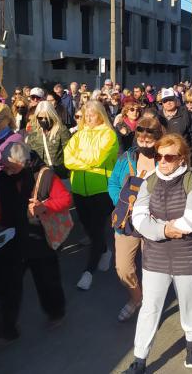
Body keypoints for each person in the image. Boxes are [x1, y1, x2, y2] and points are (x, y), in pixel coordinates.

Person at [121, 134, 192, 374]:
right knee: (150, 307)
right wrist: (164, 228)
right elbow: (139, 219)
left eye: (169, 157)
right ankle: (139, 357)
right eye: (158, 156)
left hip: (188, 254)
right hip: (156, 255)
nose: (162, 161)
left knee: (190, 301)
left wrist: (157, 224)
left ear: (182, 158)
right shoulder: (149, 181)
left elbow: (190, 223)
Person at [0, 142, 69, 349]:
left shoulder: (45, 176)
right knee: (10, 286)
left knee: (47, 281)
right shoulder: (4, 175)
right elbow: (0, 202)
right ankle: (7, 331)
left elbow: (65, 199)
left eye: (9, 166)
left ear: (22, 163)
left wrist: (45, 206)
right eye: (3, 165)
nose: (5, 169)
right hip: (13, 237)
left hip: (39, 238)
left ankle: (56, 312)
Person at [107, 116, 165, 322]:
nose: (145, 142)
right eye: (141, 138)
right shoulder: (126, 158)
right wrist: (122, 201)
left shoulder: (166, 159)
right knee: (123, 268)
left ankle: (151, 305)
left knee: (152, 268)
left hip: (153, 222)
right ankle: (136, 297)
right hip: (126, 221)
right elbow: (113, 183)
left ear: (159, 138)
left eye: (150, 139)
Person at [64, 100, 119, 291]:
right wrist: (86, 163)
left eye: (92, 114)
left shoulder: (109, 135)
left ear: (101, 115)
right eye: (85, 115)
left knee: (96, 230)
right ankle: (104, 250)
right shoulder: (79, 135)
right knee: (88, 227)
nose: (88, 118)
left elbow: (98, 158)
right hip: (79, 189)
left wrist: (80, 160)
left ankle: (88, 272)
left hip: (102, 190)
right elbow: (67, 159)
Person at [26, 101, 72, 180]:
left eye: (47, 118)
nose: (43, 120)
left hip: (58, 176)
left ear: (52, 116)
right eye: (40, 118)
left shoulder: (61, 130)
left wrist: (65, 171)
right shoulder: (34, 130)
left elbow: (69, 153)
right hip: (39, 176)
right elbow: (30, 152)